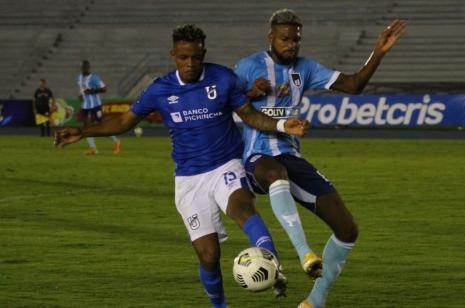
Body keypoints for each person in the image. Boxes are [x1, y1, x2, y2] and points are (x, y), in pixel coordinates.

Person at [56, 24, 309, 308]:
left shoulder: (222, 78)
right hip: (189, 178)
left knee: (242, 208)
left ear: (203, 54)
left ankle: (272, 267)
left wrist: (280, 124)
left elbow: (249, 115)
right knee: (208, 255)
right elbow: (124, 122)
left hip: (226, 163)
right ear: (174, 55)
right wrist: (83, 131)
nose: (190, 64)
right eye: (183, 58)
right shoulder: (159, 90)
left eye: (196, 58)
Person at [234, 9, 406, 308]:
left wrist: (377, 52)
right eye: (285, 39)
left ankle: (315, 301)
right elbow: (226, 106)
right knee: (276, 173)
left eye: (296, 39)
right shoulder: (248, 66)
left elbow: (354, 85)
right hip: (256, 158)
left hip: (290, 156)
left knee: (347, 228)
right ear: (271, 38)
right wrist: (249, 93)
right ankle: (304, 253)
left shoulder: (306, 68)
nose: (291, 44)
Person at [77, 60, 121, 155]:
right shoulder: (79, 78)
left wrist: (91, 91)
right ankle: (93, 148)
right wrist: (81, 95)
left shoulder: (94, 78)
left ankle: (116, 142)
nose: (82, 69)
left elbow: (104, 88)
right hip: (85, 106)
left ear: (88, 68)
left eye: (84, 67)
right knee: (86, 127)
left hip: (95, 105)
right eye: (81, 67)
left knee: (103, 126)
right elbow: (81, 90)